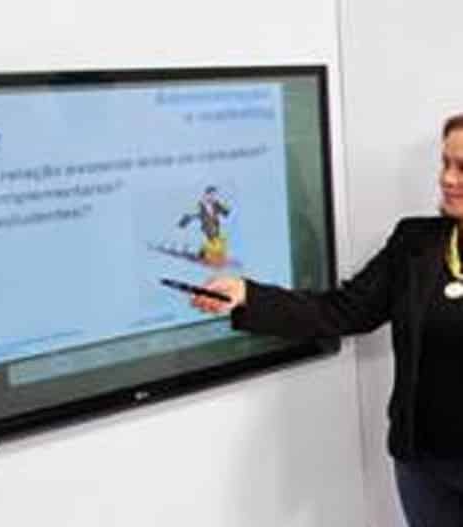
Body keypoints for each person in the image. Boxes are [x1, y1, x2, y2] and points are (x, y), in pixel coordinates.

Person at [190, 114, 463, 527]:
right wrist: (249, 296)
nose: (447, 178)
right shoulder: (415, 242)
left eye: (461, 168)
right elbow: (341, 310)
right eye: (444, 163)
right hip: (424, 466)